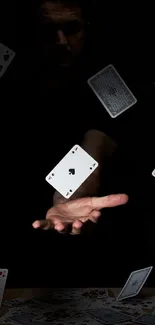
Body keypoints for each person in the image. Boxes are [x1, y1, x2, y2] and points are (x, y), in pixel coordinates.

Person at [1, 0, 154, 287]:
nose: (60, 41)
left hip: (103, 242)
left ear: (87, 27)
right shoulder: (16, 79)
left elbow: (102, 135)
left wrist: (70, 193)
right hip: (20, 239)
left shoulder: (112, 73)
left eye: (70, 28)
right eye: (49, 29)